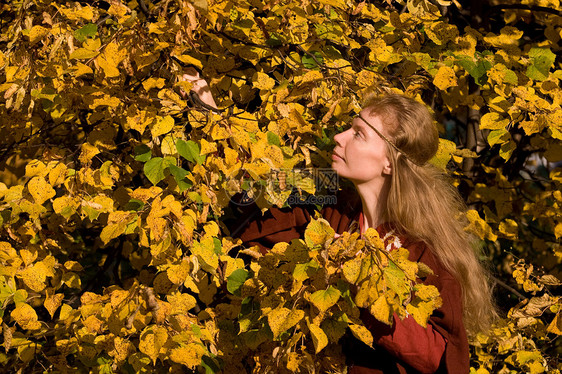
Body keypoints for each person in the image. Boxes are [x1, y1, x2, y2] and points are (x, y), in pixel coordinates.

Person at [181, 69, 497, 373]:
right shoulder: (330, 198)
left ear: (388, 162)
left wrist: (367, 291)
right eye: (350, 126)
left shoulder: (424, 249)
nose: (339, 136)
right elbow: (254, 187)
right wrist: (212, 114)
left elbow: (437, 356)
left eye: (358, 134)